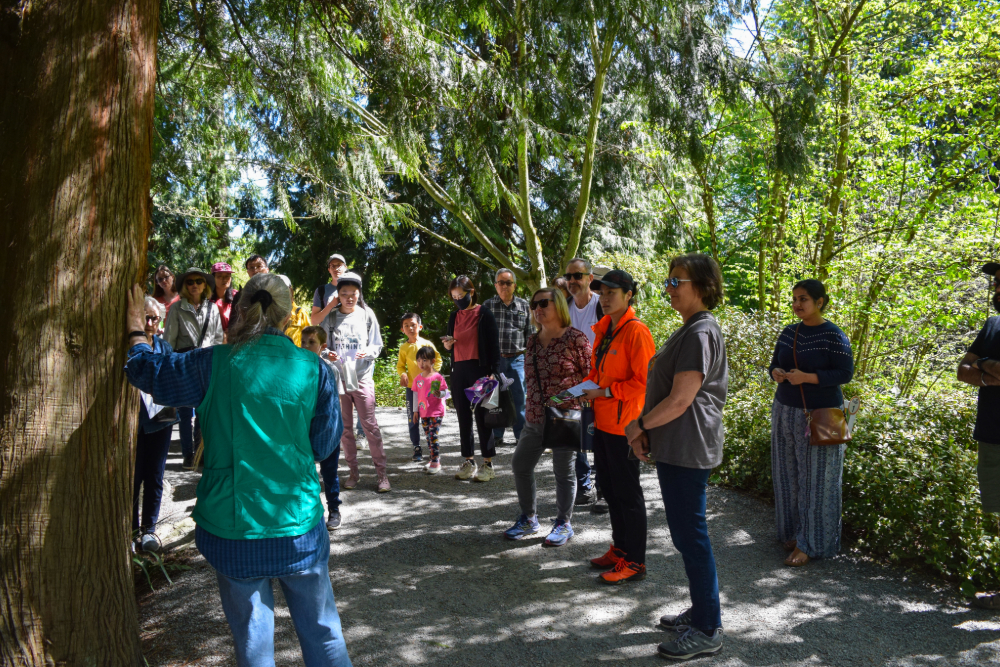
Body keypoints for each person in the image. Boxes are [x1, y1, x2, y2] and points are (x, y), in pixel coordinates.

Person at [123, 275, 352, 667]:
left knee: (253, 643)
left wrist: (135, 332)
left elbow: (146, 371)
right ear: (286, 315)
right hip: (298, 527)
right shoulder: (314, 369)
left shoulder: (211, 363)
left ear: (240, 310)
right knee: (324, 632)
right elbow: (324, 444)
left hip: (233, 532)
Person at [625, 254, 727, 660]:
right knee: (688, 536)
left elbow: (682, 398)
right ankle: (703, 611)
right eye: (667, 282)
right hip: (679, 446)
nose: (668, 289)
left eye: (676, 282)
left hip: (689, 447)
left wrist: (639, 426)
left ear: (700, 286)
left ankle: (708, 628)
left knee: (692, 536)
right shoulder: (691, 329)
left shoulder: (700, 332)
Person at [769, 279, 854, 567]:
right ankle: (792, 534)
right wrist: (777, 372)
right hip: (785, 410)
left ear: (820, 302)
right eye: (794, 299)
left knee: (820, 480)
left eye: (803, 299)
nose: (796, 304)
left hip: (825, 414)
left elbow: (844, 373)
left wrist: (807, 377)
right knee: (787, 475)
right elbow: (772, 364)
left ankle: (813, 542)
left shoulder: (834, 335)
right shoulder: (789, 332)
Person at [581, 269, 656, 584]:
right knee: (609, 489)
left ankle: (636, 562)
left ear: (629, 295)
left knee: (628, 494)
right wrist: (576, 392)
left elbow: (643, 382)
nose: (605, 297)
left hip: (625, 427)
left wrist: (604, 392)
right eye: (602, 292)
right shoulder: (604, 329)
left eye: (613, 292)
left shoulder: (636, 331)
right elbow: (600, 374)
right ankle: (621, 550)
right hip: (602, 422)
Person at [504, 288, 592, 546]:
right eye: (534, 304)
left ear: (559, 307)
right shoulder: (531, 341)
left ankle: (563, 523)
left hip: (565, 415)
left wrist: (566, 397)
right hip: (534, 416)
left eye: (544, 302)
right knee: (520, 465)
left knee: (563, 472)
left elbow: (591, 378)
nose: (537, 308)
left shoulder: (576, 338)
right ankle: (529, 518)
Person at [957, 262, 1000, 609]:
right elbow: (962, 369)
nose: (998, 288)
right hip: (992, 433)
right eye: (997, 282)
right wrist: (987, 369)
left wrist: (982, 363)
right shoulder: (993, 325)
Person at [325, 272, 389, 493]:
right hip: (340, 378)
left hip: (361, 377)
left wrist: (367, 352)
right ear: (338, 295)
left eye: (353, 294)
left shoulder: (367, 314)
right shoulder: (331, 317)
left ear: (359, 293)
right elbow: (323, 347)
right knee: (345, 429)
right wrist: (328, 354)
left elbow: (377, 344)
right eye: (344, 294)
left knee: (370, 426)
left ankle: (382, 475)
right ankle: (353, 473)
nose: (349, 297)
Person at [131, 296, 180, 553]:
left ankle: (148, 531)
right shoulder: (129, 347)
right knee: (133, 477)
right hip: (135, 424)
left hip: (160, 420)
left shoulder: (165, 348)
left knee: (155, 477)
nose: (150, 323)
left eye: (154, 318)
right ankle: (130, 531)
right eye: (145, 317)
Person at [163, 267, 224, 469]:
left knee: (203, 410)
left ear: (205, 284)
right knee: (184, 413)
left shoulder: (212, 308)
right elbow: (169, 341)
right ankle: (188, 455)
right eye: (190, 282)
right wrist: (170, 367)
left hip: (206, 364)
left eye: (199, 281)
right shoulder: (176, 309)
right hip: (184, 362)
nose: (195, 285)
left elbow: (216, 338)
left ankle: (201, 453)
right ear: (184, 286)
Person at [442, 275, 501, 482]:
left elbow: (494, 346)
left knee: (483, 417)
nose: (458, 299)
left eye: (461, 295)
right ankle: (468, 460)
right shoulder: (454, 316)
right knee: (463, 417)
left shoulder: (484, 314)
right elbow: (450, 342)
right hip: (459, 369)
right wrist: (448, 345)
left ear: (471, 292)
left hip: (480, 370)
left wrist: (494, 371)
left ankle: (488, 463)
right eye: (454, 296)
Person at [564, 257, 604, 509]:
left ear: (590, 278)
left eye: (577, 276)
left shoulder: (602, 305)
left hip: (599, 380)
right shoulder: (564, 306)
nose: (572, 282)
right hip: (572, 382)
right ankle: (584, 486)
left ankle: (604, 489)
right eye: (568, 277)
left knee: (600, 435)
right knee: (574, 436)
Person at [482, 268, 533, 446]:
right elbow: (480, 336)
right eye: (501, 283)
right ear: (496, 285)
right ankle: (496, 434)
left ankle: (521, 435)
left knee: (519, 398)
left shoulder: (524, 306)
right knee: (493, 398)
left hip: (517, 359)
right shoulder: (486, 306)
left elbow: (530, 335)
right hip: (494, 361)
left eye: (508, 283)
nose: (505, 286)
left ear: (515, 286)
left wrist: (530, 360)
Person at [301, 325, 345, 530]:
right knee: (305, 471)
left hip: (328, 428)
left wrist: (333, 430)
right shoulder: (297, 367)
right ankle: (309, 513)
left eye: (311, 343)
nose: (306, 346)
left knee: (329, 472)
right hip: (304, 427)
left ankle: (334, 509)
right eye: (303, 342)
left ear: (322, 346)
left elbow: (333, 402)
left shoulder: (330, 369)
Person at [396, 313, 443, 462]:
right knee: (413, 418)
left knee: (430, 417)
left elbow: (438, 359)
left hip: (429, 388)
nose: (410, 328)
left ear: (420, 327)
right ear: (402, 329)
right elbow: (400, 366)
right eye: (406, 325)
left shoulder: (427, 344)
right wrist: (402, 374)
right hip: (412, 388)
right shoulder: (404, 347)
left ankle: (432, 447)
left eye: (413, 325)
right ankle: (416, 447)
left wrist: (433, 375)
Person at [411, 346, 450, 474]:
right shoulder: (418, 378)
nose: (421, 363)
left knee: (433, 435)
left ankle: (436, 460)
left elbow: (445, 392)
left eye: (425, 360)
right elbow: (415, 395)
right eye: (419, 360)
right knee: (428, 436)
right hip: (423, 412)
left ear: (433, 361)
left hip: (436, 411)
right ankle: (432, 458)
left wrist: (440, 394)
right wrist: (415, 411)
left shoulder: (437, 377)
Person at [311, 253, 347, 327]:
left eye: (339, 265)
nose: (336, 269)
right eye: (332, 266)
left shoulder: (354, 289)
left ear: (345, 268)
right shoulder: (321, 290)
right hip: (327, 336)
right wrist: (331, 306)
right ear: (329, 270)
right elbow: (314, 321)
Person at [279, 274, 312, 347]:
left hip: (295, 357)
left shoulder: (300, 313)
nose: (280, 292)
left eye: (283, 288)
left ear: (291, 291)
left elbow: (310, 340)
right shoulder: (267, 313)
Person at [210, 262, 237, 336]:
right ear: (213, 278)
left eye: (227, 276)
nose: (224, 279)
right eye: (219, 276)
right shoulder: (207, 298)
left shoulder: (237, 296)